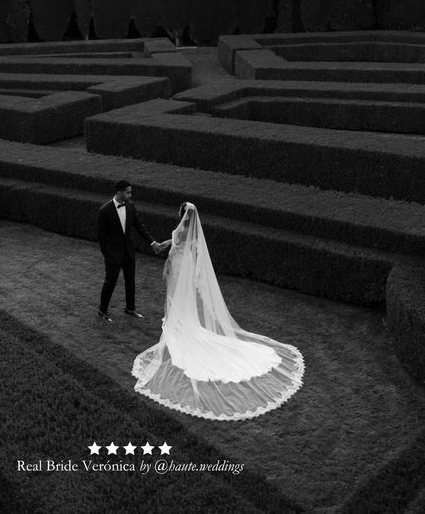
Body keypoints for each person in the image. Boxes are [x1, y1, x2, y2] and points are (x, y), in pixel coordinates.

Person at [132, 202, 305, 420]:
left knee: (176, 297)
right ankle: (181, 323)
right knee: (182, 298)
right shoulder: (190, 228)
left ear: (183, 213)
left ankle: (177, 327)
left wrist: (166, 266)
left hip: (177, 263)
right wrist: (167, 244)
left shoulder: (183, 228)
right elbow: (182, 244)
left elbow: (176, 247)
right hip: (184, 262)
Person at [97, 179, 164, 322]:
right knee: (110, 282)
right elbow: (101, 236)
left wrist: (152, 243)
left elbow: (140, 226)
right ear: (119, 192)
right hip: (113, 254)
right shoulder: (104, 210)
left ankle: (130, 308)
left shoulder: (131, 207)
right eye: (128, 192)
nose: (130, 195)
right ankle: (102, 311)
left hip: (128, 252)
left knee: (130, 281)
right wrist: (106, 253)